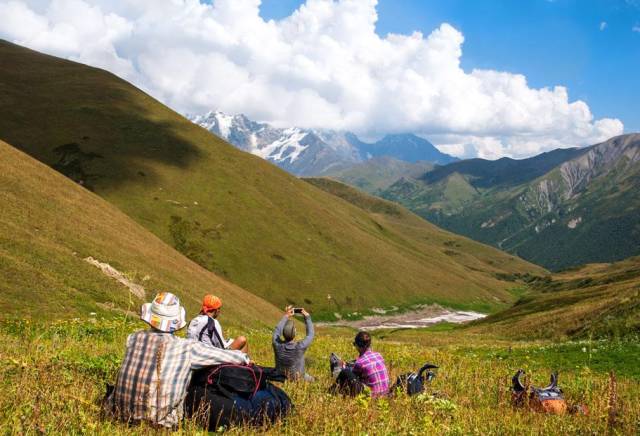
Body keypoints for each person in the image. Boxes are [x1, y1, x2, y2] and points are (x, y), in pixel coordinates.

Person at [105, 292, 250, 429]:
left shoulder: (132, 338)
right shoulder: (186, 347)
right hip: (159, 424)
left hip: (119, 415)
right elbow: (237, 357)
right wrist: (245, 358)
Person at [332, 331, 389, 398]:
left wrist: (344, 367)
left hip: (371, 396)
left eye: (354, 344)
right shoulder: (378, 355)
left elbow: (352, 377)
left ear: (358, 346)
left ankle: (332, 391)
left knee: (345, 372)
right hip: (385, 394)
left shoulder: (360, 362)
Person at [272, 306, 314, 381]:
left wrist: (286, 316)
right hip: (298, 378)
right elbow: (310, 334)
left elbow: (277, 330)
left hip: (279, 375)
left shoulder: (277, 344)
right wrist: (307, 317)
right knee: (314, 380)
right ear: (294, 333)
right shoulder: (300, 347)